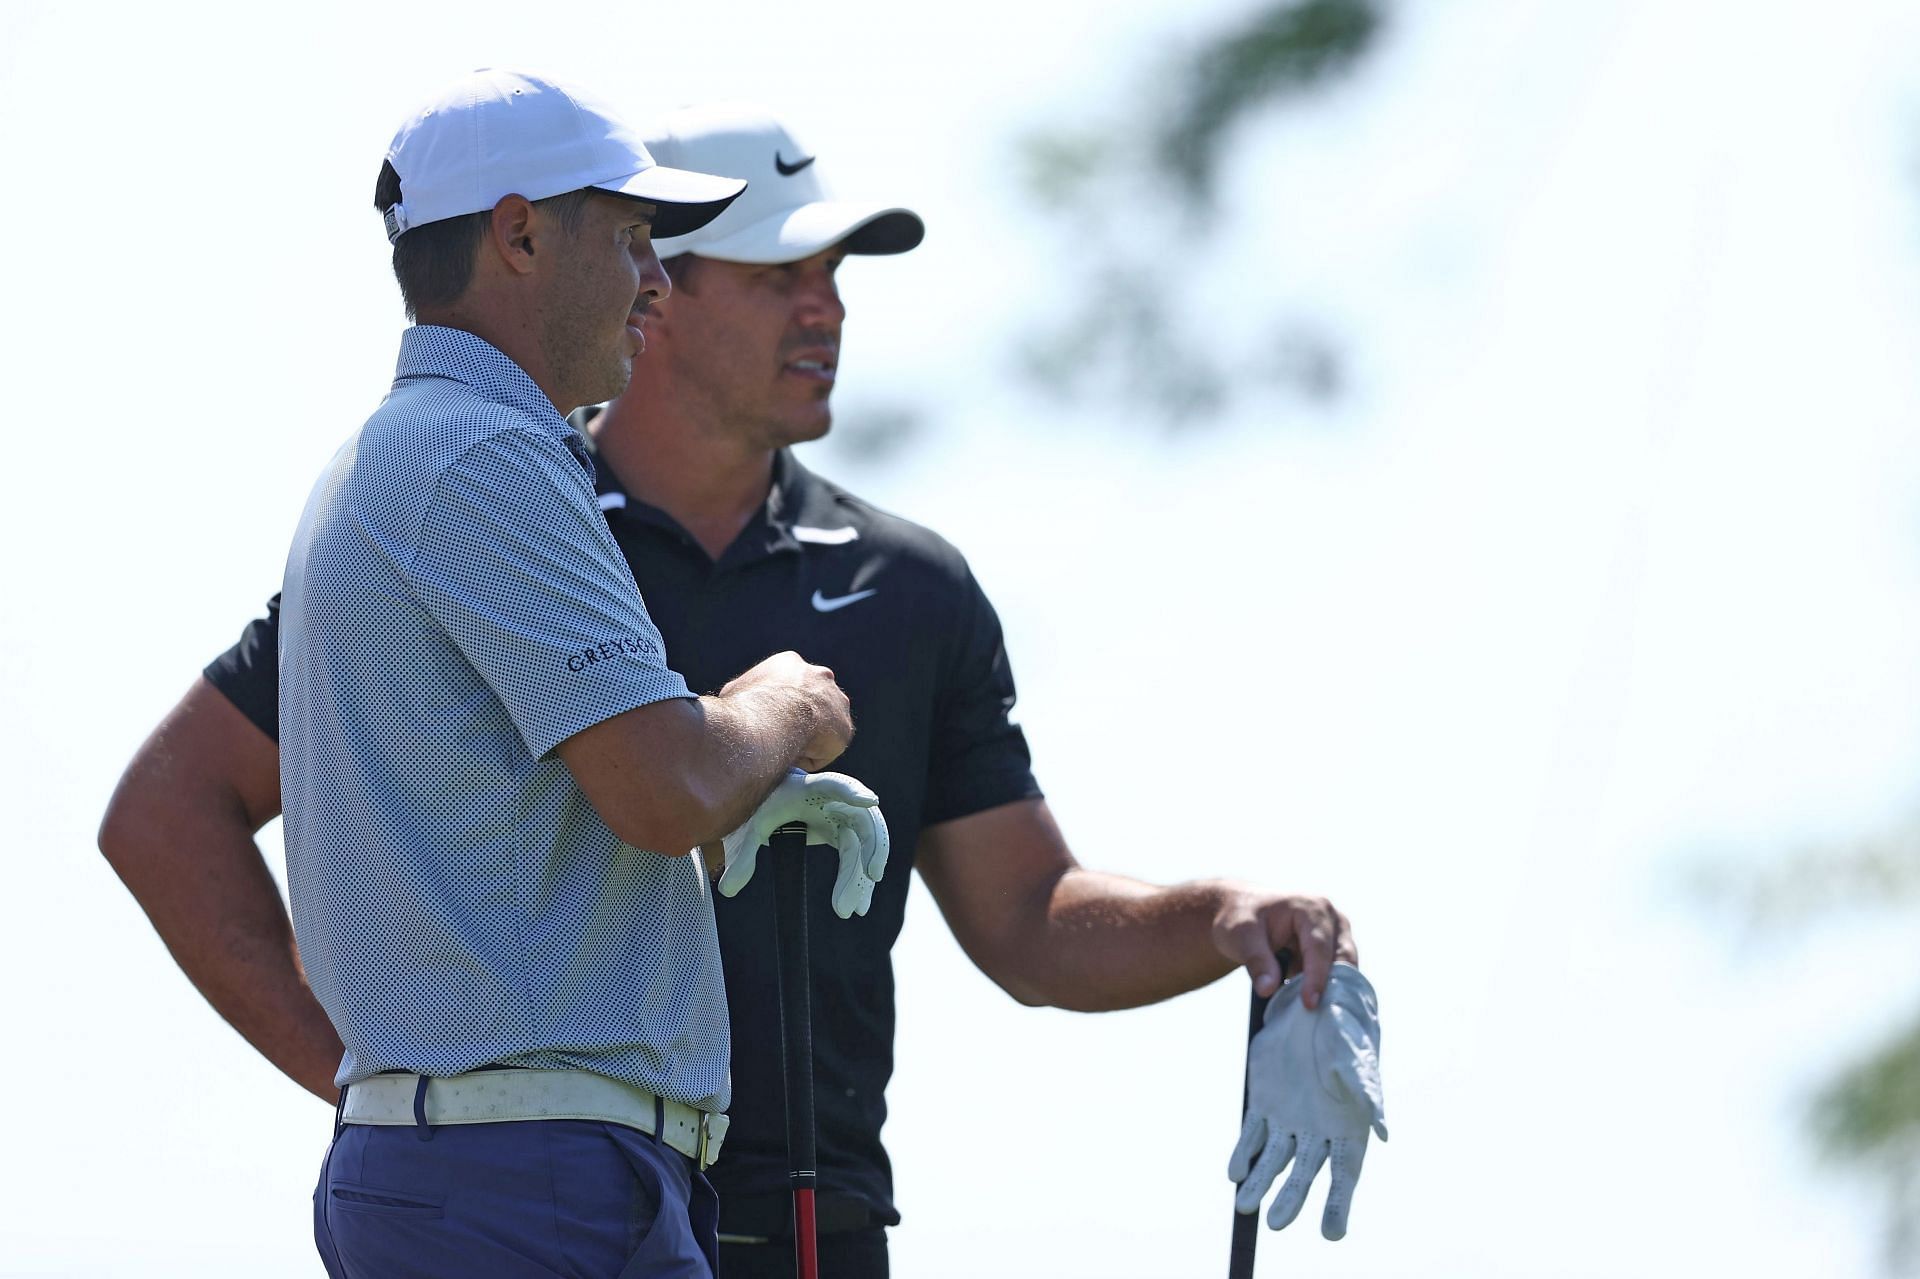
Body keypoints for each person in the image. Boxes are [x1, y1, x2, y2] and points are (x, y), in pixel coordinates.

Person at [100, 100, 1364, 1278]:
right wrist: (410, 1093)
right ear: (665, 294)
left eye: (835, 279)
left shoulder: (907, 585)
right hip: (560, 1190)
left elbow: (1030, 915)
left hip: (807, 1215)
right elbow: (167, 813)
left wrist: (1226, 917)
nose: (827, 311)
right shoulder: (498, 511)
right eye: (777, 277)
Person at [256, 70, 880, 1279]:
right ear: (522, 233)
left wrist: (723, 773)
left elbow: (545, 825)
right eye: (637, 239)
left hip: (515, 1172)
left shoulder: (417, 449)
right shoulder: (482, 453)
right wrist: (782, 708)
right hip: (526, 1184)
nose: (656, 285)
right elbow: (666, 790)